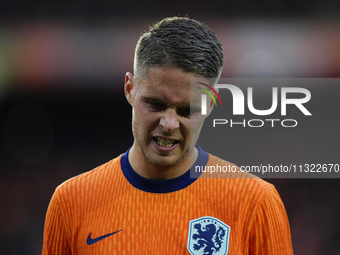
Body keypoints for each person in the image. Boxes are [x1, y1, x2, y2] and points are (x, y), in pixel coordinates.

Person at [41, 17, 294, 254]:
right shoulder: (71, 201)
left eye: (187, 110)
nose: (169, 123)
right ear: (129, 89)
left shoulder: (256, 201)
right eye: (155, 104)